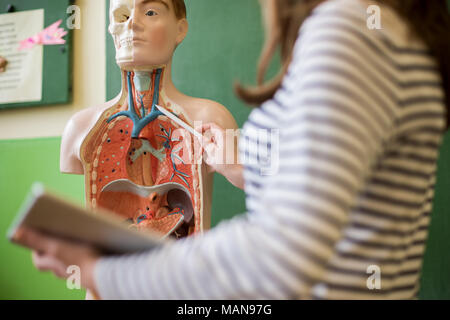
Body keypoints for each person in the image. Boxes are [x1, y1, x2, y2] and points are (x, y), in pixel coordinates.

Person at [15, 0, 450, 299]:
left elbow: (281, 255)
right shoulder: (385, 31)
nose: (132, 24)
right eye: (122, 14)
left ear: (181, 28)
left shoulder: (353, 31)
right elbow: (329, 191)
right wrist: (241, 166)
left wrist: (100, 274)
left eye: (150, 11)